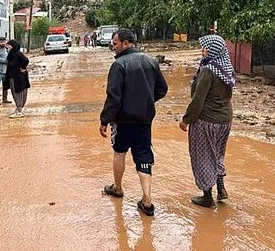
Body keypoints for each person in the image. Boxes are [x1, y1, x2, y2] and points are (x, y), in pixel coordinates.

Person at [100, 28, 168, 217]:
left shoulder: (119, 65)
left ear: (126, 43)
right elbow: (162, 89)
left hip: (123, 120)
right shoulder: (151, 61)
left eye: (115, 44)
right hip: (145, 119)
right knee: (144, 156)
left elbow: (113, 97)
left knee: (119, 151)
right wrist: (146, 101)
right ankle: (147, 200)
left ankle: (118, 187)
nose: (113, 48)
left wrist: (104, 120)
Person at [179, 35, 235, 208]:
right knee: (217, 153)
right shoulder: (226, 68)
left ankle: (207, 197)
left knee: (203, 156)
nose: (202, 50)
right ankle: (221, 188)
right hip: (225, 120)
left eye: (205, 48)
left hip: (207, 121)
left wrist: (186, 120)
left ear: (213, 50)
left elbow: (198, 100)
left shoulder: (208, 71)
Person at [4, 40, 31, 118]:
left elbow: (26, 60)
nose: (7, 47)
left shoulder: (18, 53)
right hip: (14, 77)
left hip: (18, 77)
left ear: (12, 46)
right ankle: (19, 109)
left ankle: (19, 110)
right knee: (16, 92)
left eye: (8, 45)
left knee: (18, 93)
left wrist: (22, 68)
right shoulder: (11, 54)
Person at [0, 37, 12, 106]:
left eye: (4, 42)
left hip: (6, 71)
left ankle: (5, 99)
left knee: (5, 86)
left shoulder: (7, 50)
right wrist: (6, 61)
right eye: (1, 42)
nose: (3, 43)